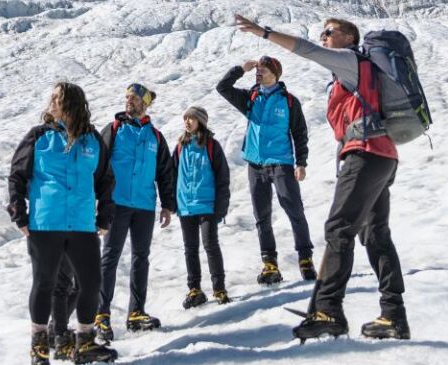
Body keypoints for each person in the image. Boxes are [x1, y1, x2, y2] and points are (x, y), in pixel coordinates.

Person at [235, 14, 410, 342]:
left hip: (365, 153)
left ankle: (328, 310)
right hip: (382, 156)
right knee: (375, 235)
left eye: (330, 32)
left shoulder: (351, 61)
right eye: (323, 32)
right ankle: (393, 315)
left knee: (338, 229)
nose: (324, 36)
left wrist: (264, 32)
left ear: (349, 37)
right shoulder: (358, 74)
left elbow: (308, 50)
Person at [8, 82, 118, 365]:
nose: (52, 101)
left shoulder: (92, 140)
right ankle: (39, 347)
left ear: (72, 103)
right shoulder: (39, 136)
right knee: (44, 283)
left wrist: (104, 216)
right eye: (52, 97)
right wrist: (19, 213)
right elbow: (17, 175)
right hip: (46, 223)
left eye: (58, 97)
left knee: (91, 283)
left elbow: (105, 179)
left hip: (82, 224)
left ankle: (85, 343)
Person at [216, 55, 316, 285]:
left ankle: (305, 259)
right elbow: (223, 88)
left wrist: (301, 163)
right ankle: (270, 264)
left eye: (263, 70)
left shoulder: (289, 101)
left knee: (294, 210)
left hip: (281, 163)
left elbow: (299, 133)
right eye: (257, 70)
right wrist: (240, 69)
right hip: (255, 165)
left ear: (275, 74)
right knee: (262, 216)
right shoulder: (250, 98)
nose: (258, 73)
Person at [94, 83, 174, 341]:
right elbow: (98, 165)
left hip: (144, 206)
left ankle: (136, 313)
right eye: (127, 97)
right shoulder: (114, 129)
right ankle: (101, 315)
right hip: (116, 203)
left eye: (134, 98)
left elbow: (165, 172)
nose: (129, 101)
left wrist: (167, 205)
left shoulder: (155, 137)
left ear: (145, 104)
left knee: (141, 257)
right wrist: (97, 200)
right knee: (110, 257)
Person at [173, 106, 231, 309]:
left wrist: (221, 207)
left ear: (201, 122)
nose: (187, 122)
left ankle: (219, 288)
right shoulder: (180, 147)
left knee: (210, 246)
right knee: (190, 249)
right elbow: (172, 174)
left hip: (207, 206)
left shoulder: (212, 146)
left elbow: (223, 177)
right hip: (185, 206)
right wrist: (172, 203)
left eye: (191, 118)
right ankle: (195, 289)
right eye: (185, 118)